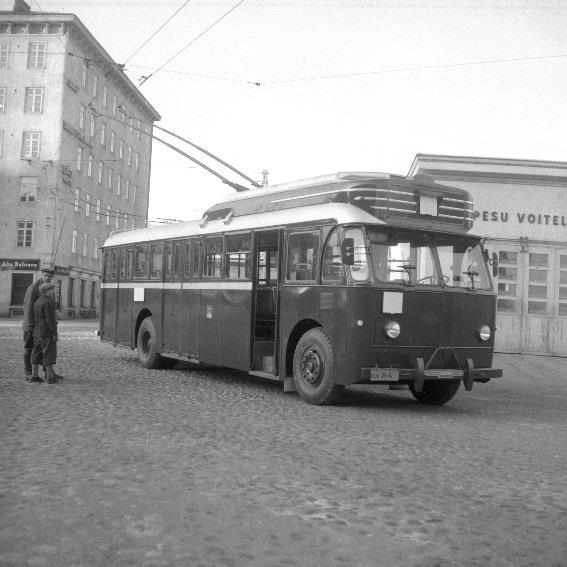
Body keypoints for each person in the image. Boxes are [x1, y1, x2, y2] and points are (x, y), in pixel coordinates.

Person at [22, 266, 54, 379]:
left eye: (49, 276)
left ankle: (48, 372)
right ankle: (28, 373)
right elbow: (28, 308)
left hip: (39, 326)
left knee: (43, 348)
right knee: (29, 348)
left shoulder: (46, 288)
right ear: (41, 275)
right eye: (45, 275)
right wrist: (30, 326)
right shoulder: (34, 288)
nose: (47, 278)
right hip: (31, 325)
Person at [30, 282, 63, 384]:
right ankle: (50, 377)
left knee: (36, 353)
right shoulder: (48, 302)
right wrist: (54, 333)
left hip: (37, 331)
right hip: (46, 332)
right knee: (48, 352)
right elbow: (50, 320)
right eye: (52, 290)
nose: (54, 292)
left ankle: (34, 375)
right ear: (47, 291)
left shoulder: (37, 301)